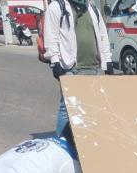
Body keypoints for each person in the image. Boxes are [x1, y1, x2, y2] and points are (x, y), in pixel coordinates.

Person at [44, 0, 112, 135]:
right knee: (67, 108)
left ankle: (86, 141)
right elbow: (51, 36)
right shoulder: (57, 7)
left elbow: (102, 36)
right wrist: (55, 61)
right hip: (71, 68)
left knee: (93, 107)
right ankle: (62, 143)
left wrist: (107, 60)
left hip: (95, 67)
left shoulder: (92, 8)